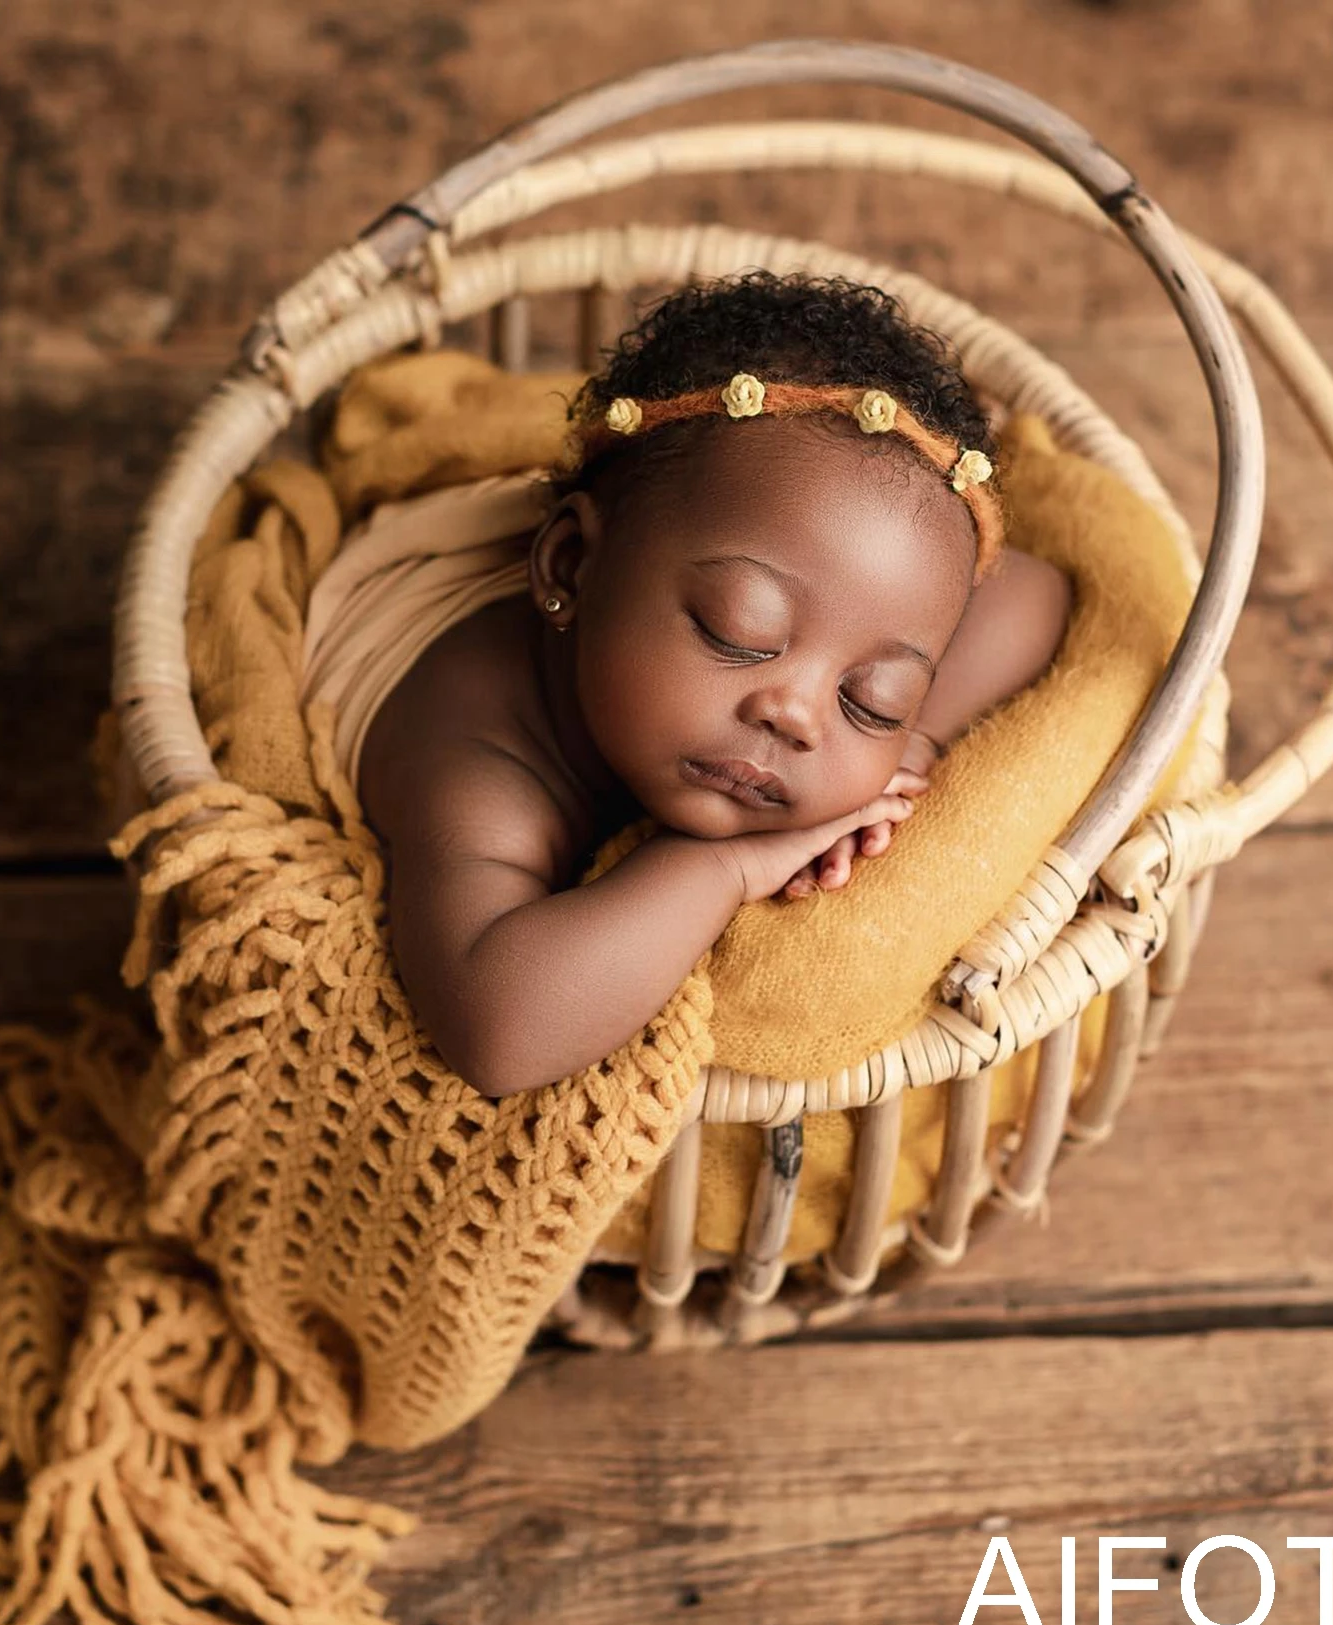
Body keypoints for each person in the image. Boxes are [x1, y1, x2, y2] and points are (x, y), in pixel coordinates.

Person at [356, 273, 1071, 1098]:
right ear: (572, 565)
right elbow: (499, 1029)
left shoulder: (726, 675)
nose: (798, 715)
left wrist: (911, 743)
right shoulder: (479, 753)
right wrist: (724, 867)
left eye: (870, 697)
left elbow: (1033, 592)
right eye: (739, 632)